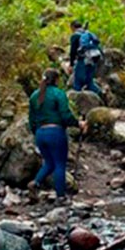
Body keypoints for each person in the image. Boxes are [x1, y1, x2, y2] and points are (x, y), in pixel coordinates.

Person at [27, 69, 87, 203]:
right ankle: (60, 196)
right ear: (56, 80)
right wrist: (78, 124)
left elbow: (31, 120)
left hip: (40, 134)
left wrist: (36, 133)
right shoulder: (58, 94)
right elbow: (65, 115)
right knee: (60, 164)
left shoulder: (34, 96)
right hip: (55, 133)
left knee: (49, 163)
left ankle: (35, 183)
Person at [68, 20, 102, 94]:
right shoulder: (88, 34)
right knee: (89, 82)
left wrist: (71, 64)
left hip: (82, 62)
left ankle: (76, 102)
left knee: (77, 83)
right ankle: (102, 94)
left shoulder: (75, 36)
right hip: (93, 60)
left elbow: (73, 51)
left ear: (72, 27)